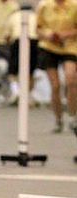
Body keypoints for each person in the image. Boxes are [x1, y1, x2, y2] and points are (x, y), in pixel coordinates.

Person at [36, 0, 77, 133]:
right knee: (55, 85)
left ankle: (73, 116)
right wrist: (48, 34)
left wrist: (66, 34)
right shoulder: (44, 5)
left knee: (71, 80)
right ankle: (58, 119)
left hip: (70, 46)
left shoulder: (74, 5)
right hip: (49, 46)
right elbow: (37, 28)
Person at [5, 4, 39, 105]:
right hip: (34, 41)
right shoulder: (35, 16)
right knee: (30, 71)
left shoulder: (13, 16)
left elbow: (7, 35)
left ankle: (16, 91)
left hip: (18, 40)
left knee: (12, 70)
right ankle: (29, 95)